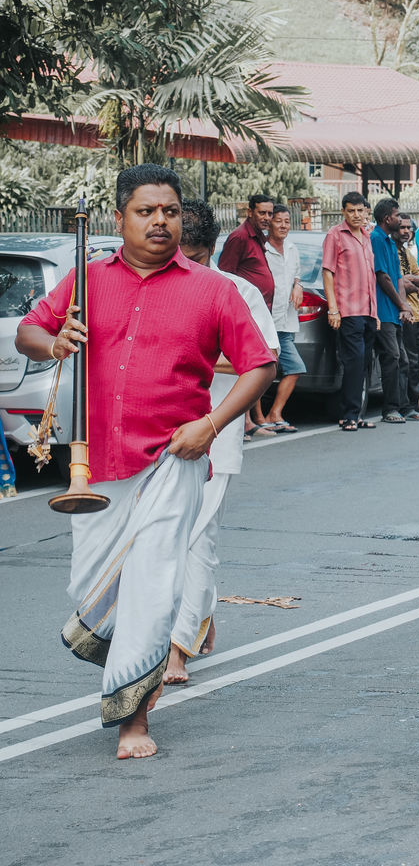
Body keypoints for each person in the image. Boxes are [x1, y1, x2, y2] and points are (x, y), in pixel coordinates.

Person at [15, 164, 276, 759]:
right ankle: (138, 657)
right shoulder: (85, 280)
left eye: (170, 212)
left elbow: (260, 364)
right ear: (120, 218)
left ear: (182, 219)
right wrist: (54, 342)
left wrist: (210, 426)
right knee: (92, 586)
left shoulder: (213, 289)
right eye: (146, 211)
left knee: (155, 582)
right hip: (96, 464)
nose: (160, 221)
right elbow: (28, 332)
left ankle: (133, 718)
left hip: (173, 460)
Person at [165, 200, 280, 685]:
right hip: (159, 431)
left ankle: (177, 649)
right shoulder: (156, 285)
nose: (185, 267)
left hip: (218, 428)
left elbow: (266, 358)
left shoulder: (238, 291)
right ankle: (203, 611)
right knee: (164, 540)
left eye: (194, 257)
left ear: (211, 251)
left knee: (196, 539)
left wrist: (197, 360)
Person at [219, 193, 277, 439]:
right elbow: (224, 275)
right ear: (250, 212)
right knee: (247, 366)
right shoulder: (239, 237)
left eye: (269, 213)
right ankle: (242, 424)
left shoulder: (259, 237)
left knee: (258, 365)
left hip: (260, 311)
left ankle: (251, 420)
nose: (266, 218)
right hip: (244, 313)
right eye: (262, 213)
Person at [323, 192, 378, 431]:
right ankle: (348, 415)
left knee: (364, 363)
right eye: (351, 211)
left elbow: (371, 277)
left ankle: (358, 414)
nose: (356, 215)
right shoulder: (335, 235)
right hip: (348, 311)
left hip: (367, 311)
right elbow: (328, 272)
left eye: (360, 210)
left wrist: (374, 314)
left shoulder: (366, 237)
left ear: (366, 211)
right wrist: (333, 310)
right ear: (344, 212)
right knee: (354, 363)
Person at [262, 204, 305, 433]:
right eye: (278, 221)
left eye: (287, 221)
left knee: (295, 368)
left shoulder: (292, 248)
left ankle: (275, 413)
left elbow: (296, 276)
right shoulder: (262, 249)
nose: (283, 226)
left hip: (286, 323)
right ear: (269, 223)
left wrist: (298, 285)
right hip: (265, 322)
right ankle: (258, 420)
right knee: (262, 372)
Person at [371, 198, 413, 424]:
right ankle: (390, 409)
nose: (400, 219)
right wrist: (400, 304)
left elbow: (397, 278)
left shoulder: (389, 241)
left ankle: (404, 406)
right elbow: (383, 277)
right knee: (392, 357)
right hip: (382, 311)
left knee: (403, 360)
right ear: (387, 219)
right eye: (397, 215)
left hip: (395, 311)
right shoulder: (376, 239)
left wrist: (404, 307)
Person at [397, 212, 419, 421]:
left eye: (409, 228)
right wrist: (410, 283)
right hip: (405, 313)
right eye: (402, 227)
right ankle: (408, 405)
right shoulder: (392, 252)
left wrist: (410, 281)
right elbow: (396, 281)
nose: (406, 231)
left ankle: (417, 402)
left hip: (418, 314)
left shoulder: (408, 253)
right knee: (409, 361)